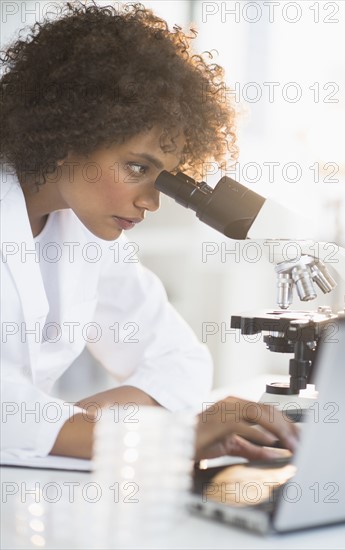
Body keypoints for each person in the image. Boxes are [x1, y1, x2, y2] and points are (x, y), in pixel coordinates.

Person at [0, 2, 298, 461]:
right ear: (64, 137)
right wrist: (160, 438)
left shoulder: (85, 235)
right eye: (137, 167)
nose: (151, 202)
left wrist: (82, 432)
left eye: (163, 178)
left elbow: (180, 363)